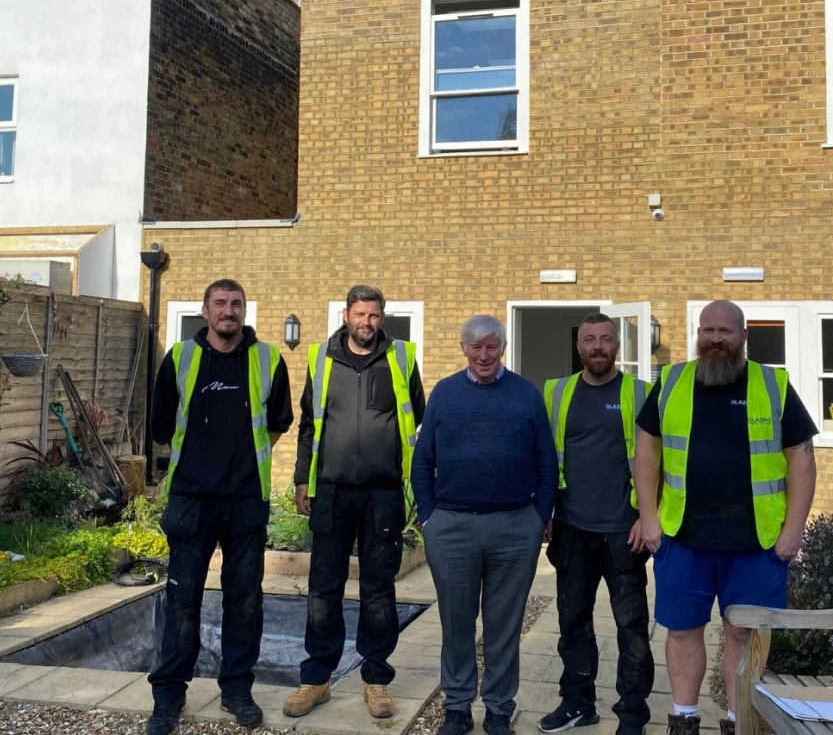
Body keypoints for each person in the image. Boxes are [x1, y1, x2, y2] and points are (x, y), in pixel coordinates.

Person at [633, 300, 818, 735]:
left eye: (726, 331)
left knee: (743, 634)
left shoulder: (773, 384)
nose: (716, 339)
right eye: (708, 330)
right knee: (683, 631)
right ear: (698, 334)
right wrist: (648, 517)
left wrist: (793, 530)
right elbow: (646, 450)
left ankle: (739, 721)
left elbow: (802, 459)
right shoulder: (671, 381)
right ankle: (683, 718)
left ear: (744, 336)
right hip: (682, 537)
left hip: (757, 543)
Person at [147, 278, 294, 735]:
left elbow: (278, 423)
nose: (228, 311)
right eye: (220, 303)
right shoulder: (180, 357)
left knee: (245, 601)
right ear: (205, 311)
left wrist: (241, 460)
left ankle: (236, 690)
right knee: (181, 600)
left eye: (236, 304)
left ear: (244, 310)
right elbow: (160, 425)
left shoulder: (269, 359)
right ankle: (169, 696)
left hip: (245, 500)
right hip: (191, 499)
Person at [411, 315, 559, 735]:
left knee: (504, 625)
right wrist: (429, 517)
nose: (483, 354)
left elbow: (547, 463)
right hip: (452, 527)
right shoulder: (444, 393)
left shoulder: (527, 394)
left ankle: (498, 708)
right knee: (456, 623)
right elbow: (422, 462)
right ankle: (457, 707)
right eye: (475, 346)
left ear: (503, 349)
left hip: (514, 528)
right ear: (464, 349)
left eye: (491, 346)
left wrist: (538, 516)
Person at [284, 284, 425, 720]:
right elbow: (309, 425)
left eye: (374, 315)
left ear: (383, 317)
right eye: (360, 314)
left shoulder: (401, 358)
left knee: (379, 589)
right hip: (331, 490)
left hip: (382, 492)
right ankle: (317, 678)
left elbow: (416, 413)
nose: (367, 322)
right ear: (346, 315)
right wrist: (302, 481)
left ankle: (376, 679)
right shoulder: (320, 358)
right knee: (323, 588)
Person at [540, 313, 653, 735]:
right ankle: (577, 704)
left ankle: (633, 716)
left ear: (617, 346)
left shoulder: (641, 393)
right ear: (579, 347)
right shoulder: (556, 392)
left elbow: (659, 461)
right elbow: (545, 457)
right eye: (590, 340)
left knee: (632, 629)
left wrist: (647, 516)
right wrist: (546, 511)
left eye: (606, 339)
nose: (598, 347)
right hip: (571, 528)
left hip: (625, 532)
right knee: (573, 624)